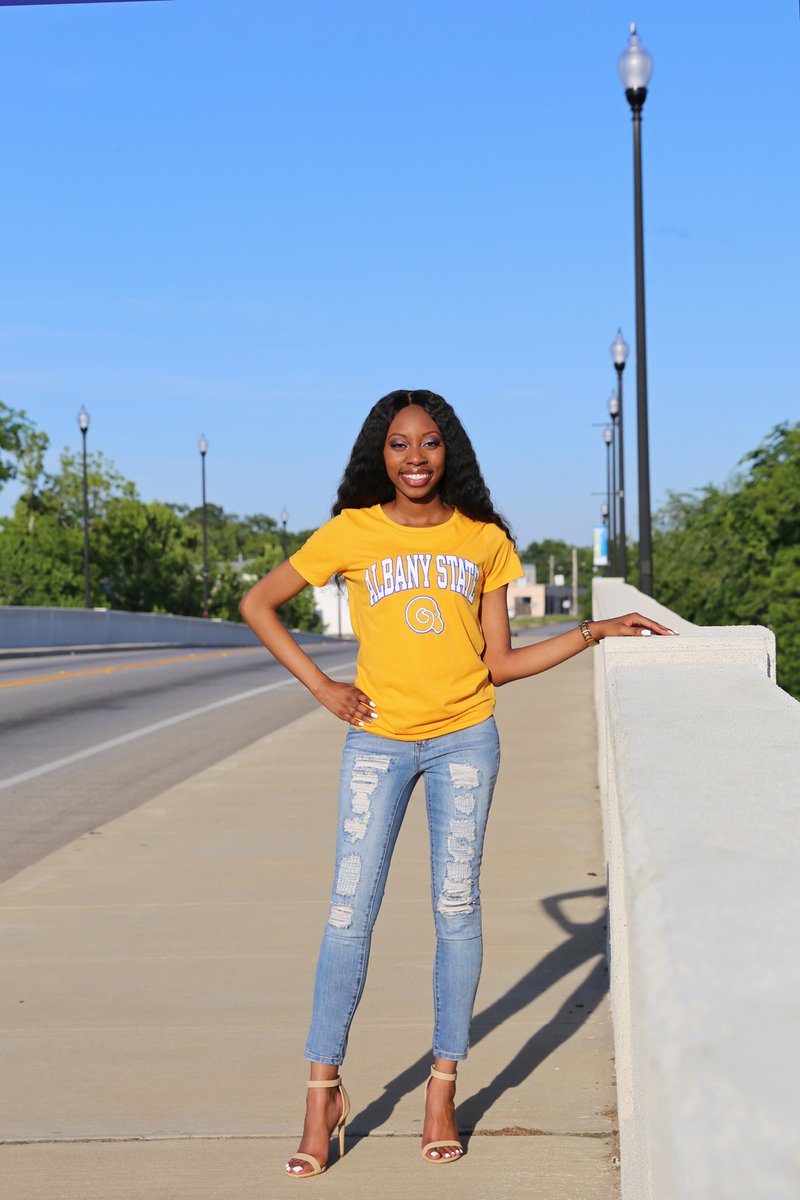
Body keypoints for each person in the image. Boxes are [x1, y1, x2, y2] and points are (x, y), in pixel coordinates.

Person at [239, 389, 674, 1177]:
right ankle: (322, 1089)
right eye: (400, 444)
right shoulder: (352, 531)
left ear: (450, 452)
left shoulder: (484, 541)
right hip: (376, 743)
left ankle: (443, 1086)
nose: (415, 458)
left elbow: (499, 663)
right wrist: (322, 687)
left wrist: (593, 630)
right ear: (382, 452)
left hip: (464, 742)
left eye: (430, 443)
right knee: (348, 913)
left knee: (456, 909)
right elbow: (259, 602)